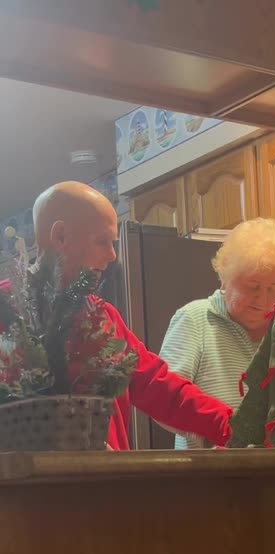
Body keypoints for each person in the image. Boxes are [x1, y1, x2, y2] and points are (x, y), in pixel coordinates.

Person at [33, 182, 232, 449]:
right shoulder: (8, 311)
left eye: (113, 243)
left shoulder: (103, 315)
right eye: (102, 241)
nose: (112, 255)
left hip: (110, 476)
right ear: (60, 237)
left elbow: (157, 386)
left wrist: (234, 427)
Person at [159, 218, 275, 449]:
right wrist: (210, 435)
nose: (263, 300)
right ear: (226, 277)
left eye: (274, 289)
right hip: (208, 469)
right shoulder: (194, 320)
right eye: (252, 287)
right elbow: (163, 401)